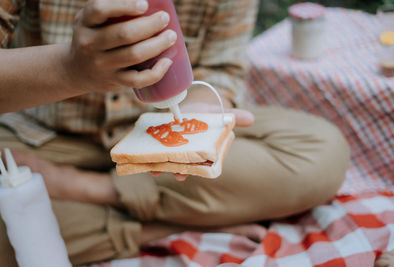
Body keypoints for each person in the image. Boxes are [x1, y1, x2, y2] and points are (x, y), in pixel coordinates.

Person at [0, 0, 352, 266]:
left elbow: (221, 67)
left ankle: (102, 197)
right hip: (40, 136)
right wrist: (69, 69)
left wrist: (200, 112)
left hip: (163, 129)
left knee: (323, 153)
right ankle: (173, 223)